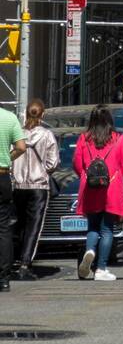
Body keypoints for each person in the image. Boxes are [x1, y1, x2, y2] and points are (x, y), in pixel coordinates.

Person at [73, 104, 123, 283]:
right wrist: (117, 178)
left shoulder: (84, 139)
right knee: (107, 229)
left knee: (92, 226)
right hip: (111, 187)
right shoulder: (118, 139)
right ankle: (101, 268)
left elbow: (77, 164)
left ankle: (90, 250)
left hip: (90, 188)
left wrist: (85, 176)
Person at [11, 100, 60, 279]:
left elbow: (10, 156)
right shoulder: (47, 135)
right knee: (34, 226)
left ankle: (13, 261)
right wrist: (44, 170)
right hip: (39, 185)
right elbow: (53, 163)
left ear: (26, 113)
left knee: (18, 224)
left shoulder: (18, 133)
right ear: (42, 115)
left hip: (18, 185)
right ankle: (25, 263)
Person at [0, 107, 26, 293]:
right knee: (3, 228)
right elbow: (21, 147)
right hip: (2, 176)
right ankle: (3, 278)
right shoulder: (9, 118)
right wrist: (7, 159)